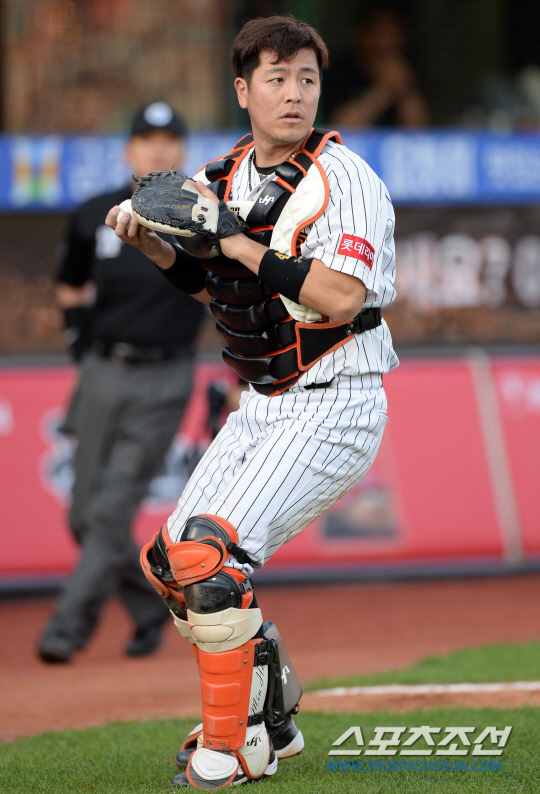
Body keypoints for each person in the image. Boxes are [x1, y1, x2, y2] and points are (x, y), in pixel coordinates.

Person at [106, 15, 397, 789]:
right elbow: (222, 290)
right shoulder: (222, 176)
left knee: (210, 560)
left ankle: (235, 747)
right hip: (263, 405)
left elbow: (340, 297)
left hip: (336, 401)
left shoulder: (347, 179)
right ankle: (270, 710)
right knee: (170, 564)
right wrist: (155, 246)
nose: (294, 93)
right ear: (244, 90)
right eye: (276, 78)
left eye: (307, 78)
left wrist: (234, 241)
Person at [38, 102, 206, 663]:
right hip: (103, 370)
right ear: (128, 150)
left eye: (169, 138)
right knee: (82, 515)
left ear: (182, 150)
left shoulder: (204, 216)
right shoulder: (95, 212)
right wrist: (79, 347)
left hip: (167, 377)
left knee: (110, 514)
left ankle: (65, 629)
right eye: (147, 138)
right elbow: (69, 283)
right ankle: (150, 605)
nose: (158, 148)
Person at [327, 8, 429, 127]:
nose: (385, 43)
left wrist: (405, 89)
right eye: (378, 33)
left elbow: (419, 131)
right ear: (360, 34)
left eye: (392, 35)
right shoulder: (338, 72)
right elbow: (340, 128)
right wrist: (383, 91)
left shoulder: (407, 70)